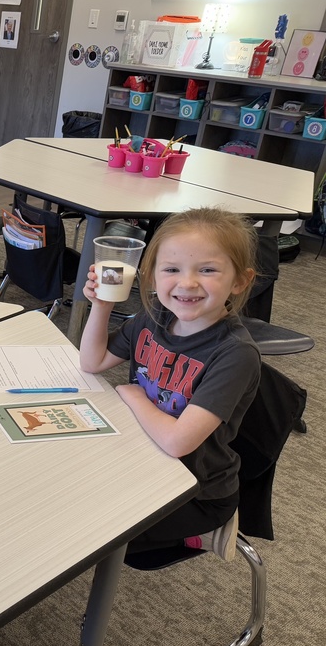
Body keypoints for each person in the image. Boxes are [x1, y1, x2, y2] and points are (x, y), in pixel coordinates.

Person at [79, 208, 261, 561]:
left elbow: (179, 442)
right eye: (172, 269)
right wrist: (101, 306)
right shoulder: (153, 318)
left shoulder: (235, 354)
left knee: (101, 540)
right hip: (144, 452)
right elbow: (92, 362)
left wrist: (134, 395)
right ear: (150, 276)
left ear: (239, 281)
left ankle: (201, 533)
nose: (187, 283)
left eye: (207, 270)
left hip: (196, 489)